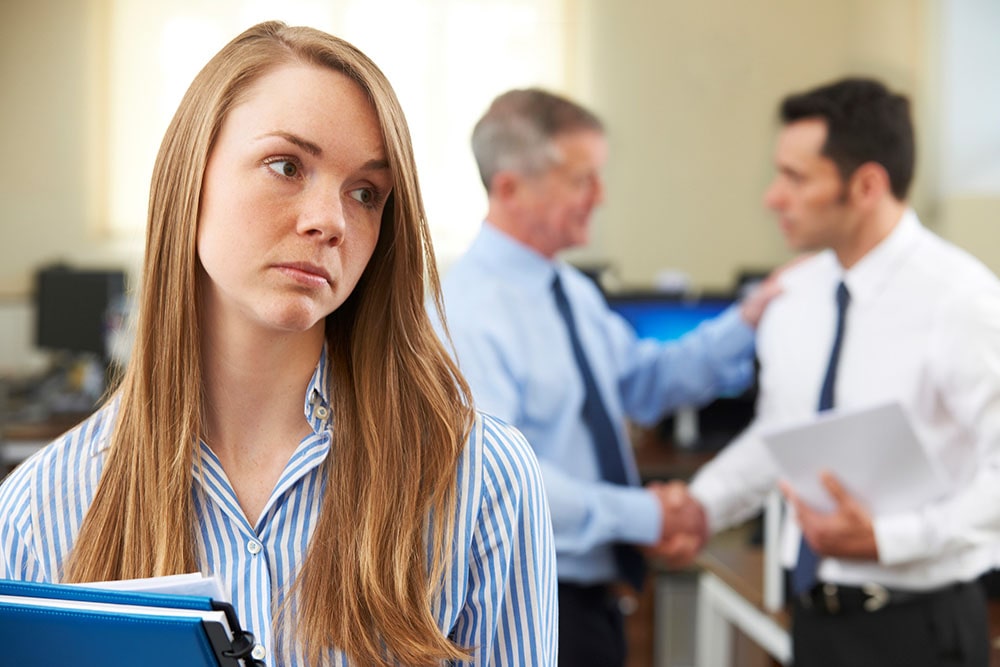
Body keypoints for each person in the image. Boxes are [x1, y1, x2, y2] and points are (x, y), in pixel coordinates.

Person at [0, 21, 558, 667]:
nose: (330, 220)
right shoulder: (40, 507)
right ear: (191, 177)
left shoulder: (482, 478)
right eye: (286, 165)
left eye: (366, 193)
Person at [431, 87, 778, 667]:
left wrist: (748, 319)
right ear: (510, 187)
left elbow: (647, 380)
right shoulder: (465, 311)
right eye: (581, 179)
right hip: (527, 607)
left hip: (591, 603)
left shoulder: (571, 292)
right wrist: (647, 514)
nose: (601, 196)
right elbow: (502, 481)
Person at [669, 77, 1000, 666]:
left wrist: (890, 540)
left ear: (867, 185)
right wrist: (703, 503)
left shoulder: (964, 301)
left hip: (922, 631)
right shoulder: (793, 295)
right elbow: (781, 434)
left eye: (796, 178)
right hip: (817, 622)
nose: (773, 197)